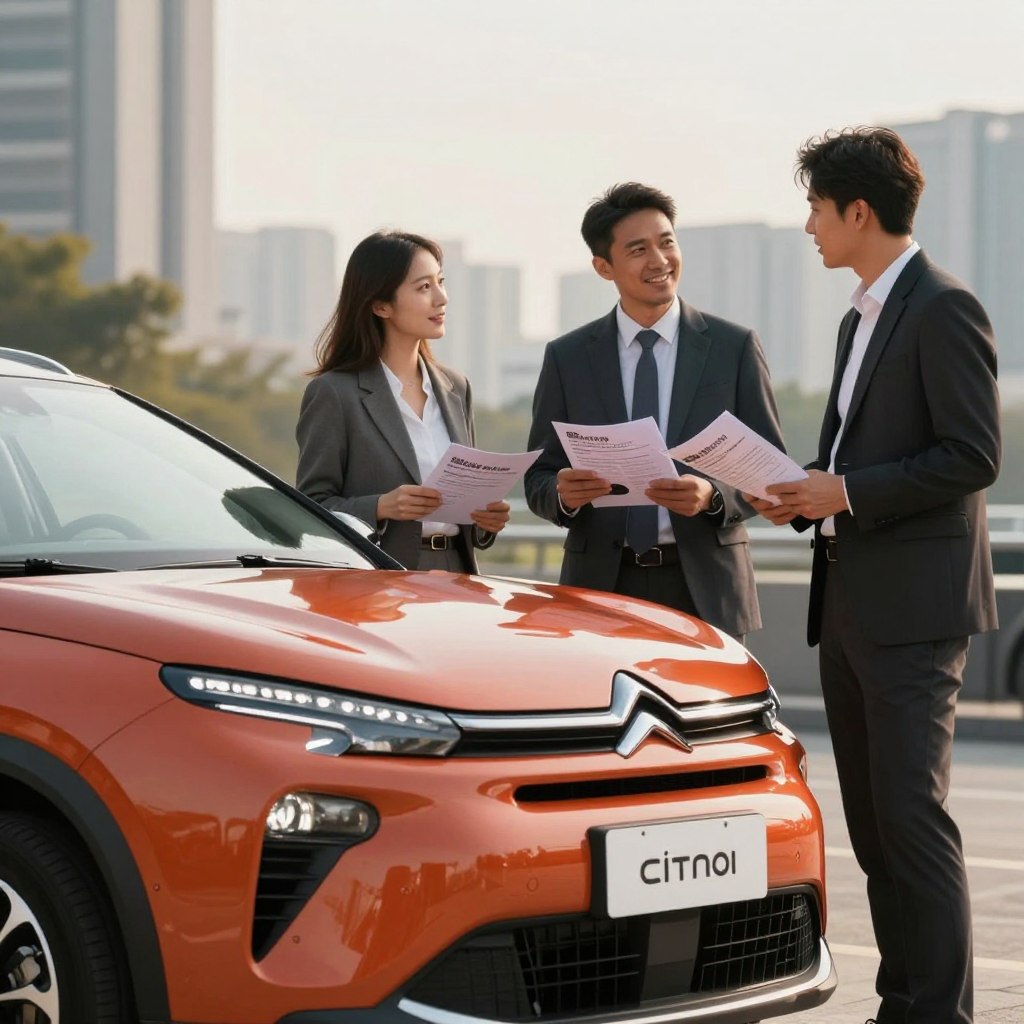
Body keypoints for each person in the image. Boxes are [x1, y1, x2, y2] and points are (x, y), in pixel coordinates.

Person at [748, 127, 1000, 1024]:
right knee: (875, 830)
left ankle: (939, 1013)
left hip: (915, 611)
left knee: (912, 822)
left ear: (859, 211)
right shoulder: (863, 313)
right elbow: (863, 460)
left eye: (816, 209)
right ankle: (903, 1005)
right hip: (850, 602)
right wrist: (810, 498)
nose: (810, 227)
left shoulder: (941, 307)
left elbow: (973, 456)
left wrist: (845, 489)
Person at [524, 182, 783, 639]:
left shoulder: (732, 347)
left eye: (666, 242)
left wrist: (713, 494)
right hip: (601, 587)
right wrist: (562, 493)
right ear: (603, 267)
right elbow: (539, 476)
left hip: (706, 586)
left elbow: (769, 473)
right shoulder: (567, 357)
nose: (660, 261)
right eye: (639, 249)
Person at [296, 230, 509, 571]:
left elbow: (467, 506)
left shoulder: (455, 387)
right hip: (379, 583)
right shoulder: (335, 393)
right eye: (424, 287)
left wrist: (486, 521)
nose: (442, 298)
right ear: (381, 305)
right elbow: (310, 506)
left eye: (441, 282)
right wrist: (381, 506)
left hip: (458, 574)